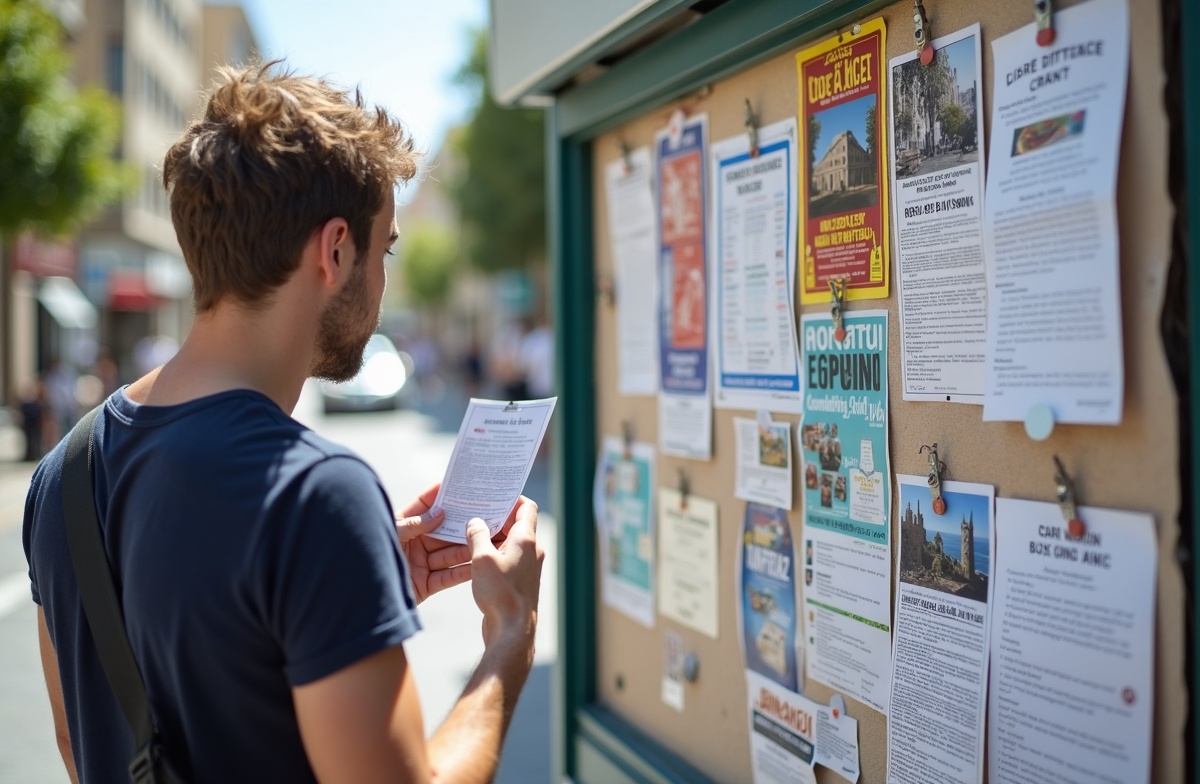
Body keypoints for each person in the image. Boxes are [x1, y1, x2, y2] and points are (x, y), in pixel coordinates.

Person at [22, 62, 543, 784]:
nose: (383, 280)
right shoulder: (316, 495)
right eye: (385, 249)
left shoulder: (64, 471)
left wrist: (347, 585)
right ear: (335, 250)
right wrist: (511, 639)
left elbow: (80, 743)